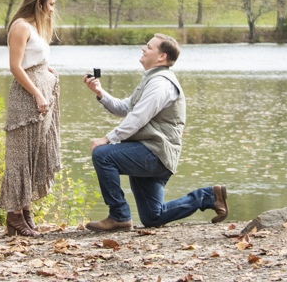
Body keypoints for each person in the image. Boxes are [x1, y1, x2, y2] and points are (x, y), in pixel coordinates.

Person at [82, 33, 228, 231]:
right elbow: (126, 108)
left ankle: (119, 216)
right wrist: (101, 93)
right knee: (153, 217)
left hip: (154, 154)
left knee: (103, 155)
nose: (143, 49)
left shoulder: (161, 84)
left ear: (161, 57)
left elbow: (138, 117)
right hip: (149, 153)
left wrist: (107, 139)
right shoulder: (152, 79)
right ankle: (209, 196)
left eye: (149, 47)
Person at [0, 0, 62, 237]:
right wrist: (37, 93)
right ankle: (14, 215)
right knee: (19, 156)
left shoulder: (36, 27)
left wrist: (47, 69)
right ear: (39, 2)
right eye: (51, 4)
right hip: (27, 100)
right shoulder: (20, 26)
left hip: (41, 97)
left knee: (33, 154)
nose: (52, 10)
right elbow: (15, 66)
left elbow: (33, 60)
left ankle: (25, 212)